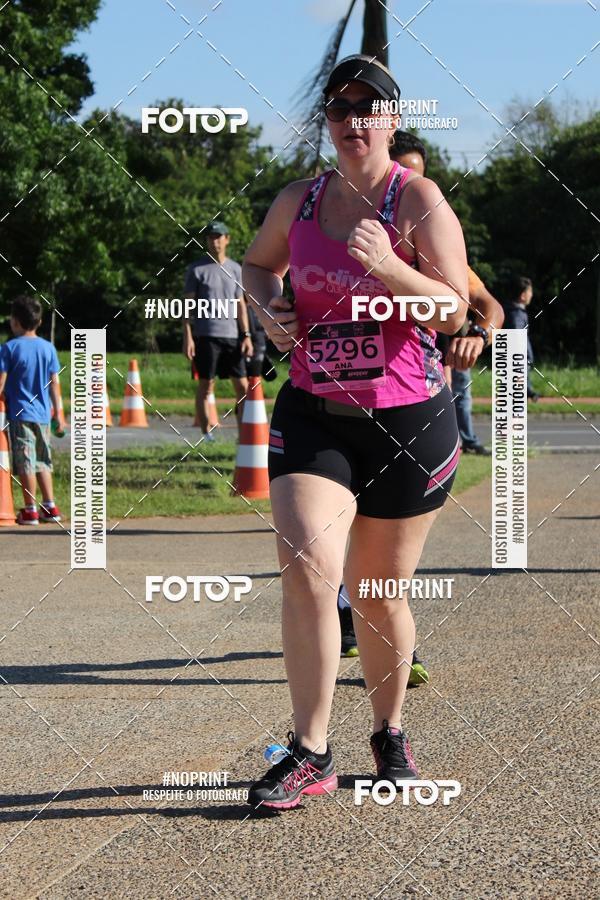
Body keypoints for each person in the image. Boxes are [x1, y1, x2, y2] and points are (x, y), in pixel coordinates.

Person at [242, 55, 468, 810]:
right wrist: (268, 307)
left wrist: (394, 271)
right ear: (327, 124)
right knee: (309, 566)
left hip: (408, 421)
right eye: (339, 109)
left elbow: (454, 311)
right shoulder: (297, 202)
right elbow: (257, 265)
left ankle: (389, 730)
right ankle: (309, 750)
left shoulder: (420, 200)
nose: (352, 121)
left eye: (367, 108)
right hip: (315, 414)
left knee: (375, 592)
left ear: (391, 120)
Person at [337, 131, 505, 668]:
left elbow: (483, 305)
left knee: (386, 543)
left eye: (414, 180)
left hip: (414, 398)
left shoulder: (435, 244)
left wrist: (479, 334)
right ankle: (350, 613)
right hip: (340, 400)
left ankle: (384, 636)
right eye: (397, 177)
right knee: (338, 525)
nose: (402, 192)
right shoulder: (335, 226)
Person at [182, 222, 254, 440]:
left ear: (227, 239)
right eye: (210, 237)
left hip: (232, 335)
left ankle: (244, 435)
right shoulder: (196, 270)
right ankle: (206, 434)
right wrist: (188, 337)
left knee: (242, 386)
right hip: (206, 335)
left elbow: (241, 305)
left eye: (218, 237)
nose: (214, 241)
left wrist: (247, 336)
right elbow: (187, 306)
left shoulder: (236, 269)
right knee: (206, 384)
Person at [0, 295, 62, 525]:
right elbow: (54, 382)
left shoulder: (8, 349)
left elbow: (1, 382)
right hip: (44, 415)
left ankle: (30, 509)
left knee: (26, 461)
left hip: (20, 414)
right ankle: (50, 505)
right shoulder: (48, 349)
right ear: (39, 321)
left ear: (15, 321)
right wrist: (58, 412)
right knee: (43, 460)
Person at [503, 275, 538, 400]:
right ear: (522, 295)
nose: (531, 295)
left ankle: (529, 391)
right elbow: (516, 341)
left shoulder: (512, 312)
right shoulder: (516, 315)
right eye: (530, 292)